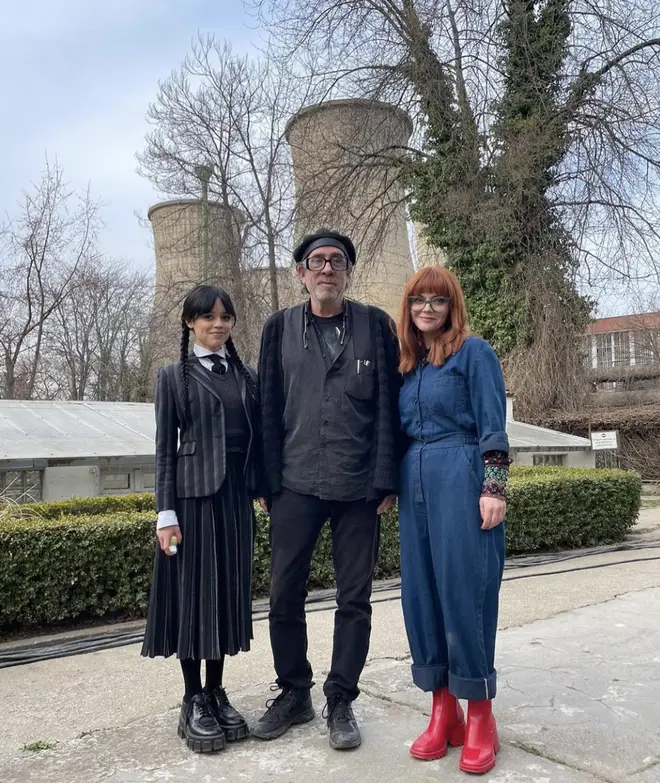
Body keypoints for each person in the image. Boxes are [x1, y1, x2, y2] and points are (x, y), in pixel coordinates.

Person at [252, 229, 402, 750]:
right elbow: (266, 407)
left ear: (347, 272)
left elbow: (389, 404)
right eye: (317, 261)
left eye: (337, 261)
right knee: (283, 594)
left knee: (354, 598)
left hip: (360, 486)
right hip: (294, 483)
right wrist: (265, 479)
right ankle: (295, 692)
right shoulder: (278, 329)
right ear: (301, 273)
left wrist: (388, 477)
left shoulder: (376, 326)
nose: (327, 269)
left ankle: (341, 700)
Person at [396, 266, 510, 775]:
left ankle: (481, 712)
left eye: (437, 301)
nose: (426, 308)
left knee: (467, 592)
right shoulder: (410, 364)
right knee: (421, 595)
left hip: (461, 477)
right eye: (418, 300)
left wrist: (494, 488)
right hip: (413, 478)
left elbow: (492, 423)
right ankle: (444, 708)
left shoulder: (474, 353)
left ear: (451, 306)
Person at [141, 284, 264, 754]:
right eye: (208, 316)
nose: (218, 324)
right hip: (192, 502)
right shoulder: (174, 377)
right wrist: (164, 514)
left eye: (225, 317)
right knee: (195, 598)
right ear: (190, 322)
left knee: (227, 595)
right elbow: (163, 454)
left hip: (235, 500)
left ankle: (216, 691)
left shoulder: (246, 376)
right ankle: (192, 698)